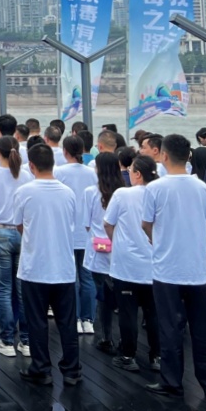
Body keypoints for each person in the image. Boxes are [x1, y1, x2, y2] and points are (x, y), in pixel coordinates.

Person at [143, 134, 206, 399]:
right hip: (196, 268)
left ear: (163, 155)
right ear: (188, 155)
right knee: (202, 329)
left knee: (170, 328)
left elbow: (146, 224)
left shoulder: (155, 188)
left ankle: (172, 381)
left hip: (167, 269)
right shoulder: (200, 187)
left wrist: (159, 241)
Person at [13, 144, 82, 387]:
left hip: (35, 267)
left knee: (37, 321)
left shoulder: (24, 192)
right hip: (63, 266)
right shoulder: (68, 192)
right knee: (67, 322)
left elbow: (19, 225)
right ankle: (72, 370)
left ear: (31, 165)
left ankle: (41, 368)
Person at [104, 156, 161, 372]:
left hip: (126, 264)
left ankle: (128, 355)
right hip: (154, 263)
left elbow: (108, 223)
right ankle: (158, 356)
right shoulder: (159, 194)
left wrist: (118, 242)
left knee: (128, 313)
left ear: (137, 174)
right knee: (154, 313)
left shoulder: (122, 194)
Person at [54, 136, 98, 335]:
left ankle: (76, 318)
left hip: (66, 231)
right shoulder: (92, 173)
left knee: (72, 278)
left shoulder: (58, 172)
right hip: (88, 231)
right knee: (87, 277)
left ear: (65, 152)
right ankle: (88, 319)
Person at [84, 152, 124, 355]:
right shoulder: (124, 191)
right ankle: (125, 338)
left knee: (102, 297)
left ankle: (106, 337)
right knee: (124, 297)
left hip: (97, 250)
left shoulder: (91, 192)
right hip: (120, 249)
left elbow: (86, 223)